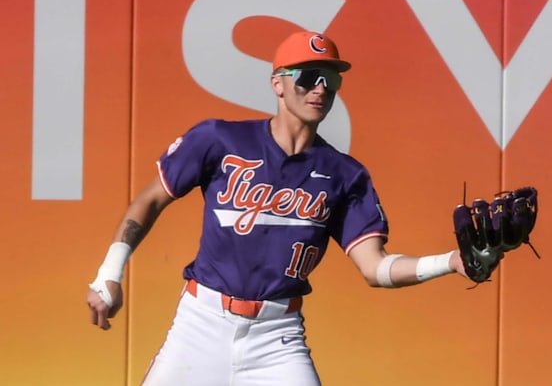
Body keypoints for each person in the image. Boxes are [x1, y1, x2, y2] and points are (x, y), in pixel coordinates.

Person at [86, 30, 469, 386]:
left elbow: (377, 268)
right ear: (277, 84)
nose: (320, 88)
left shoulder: (344, 174)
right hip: (200, 324)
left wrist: (449, 261)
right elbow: (151, 198)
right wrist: (110, 272)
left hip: (277, 337)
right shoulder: (220, 139)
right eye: (307, 76)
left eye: (330, 79)